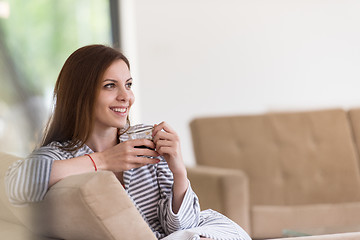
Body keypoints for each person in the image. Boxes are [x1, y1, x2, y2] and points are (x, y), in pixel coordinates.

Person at [5, 44, 251, 240]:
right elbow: (15, 184)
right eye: (110, 86)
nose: (126, 97)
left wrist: (179, 170)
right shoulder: (60, 154)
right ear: (81, 94)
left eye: (129, 85)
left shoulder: (146, 145)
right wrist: (103, 160)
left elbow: (183, 224)